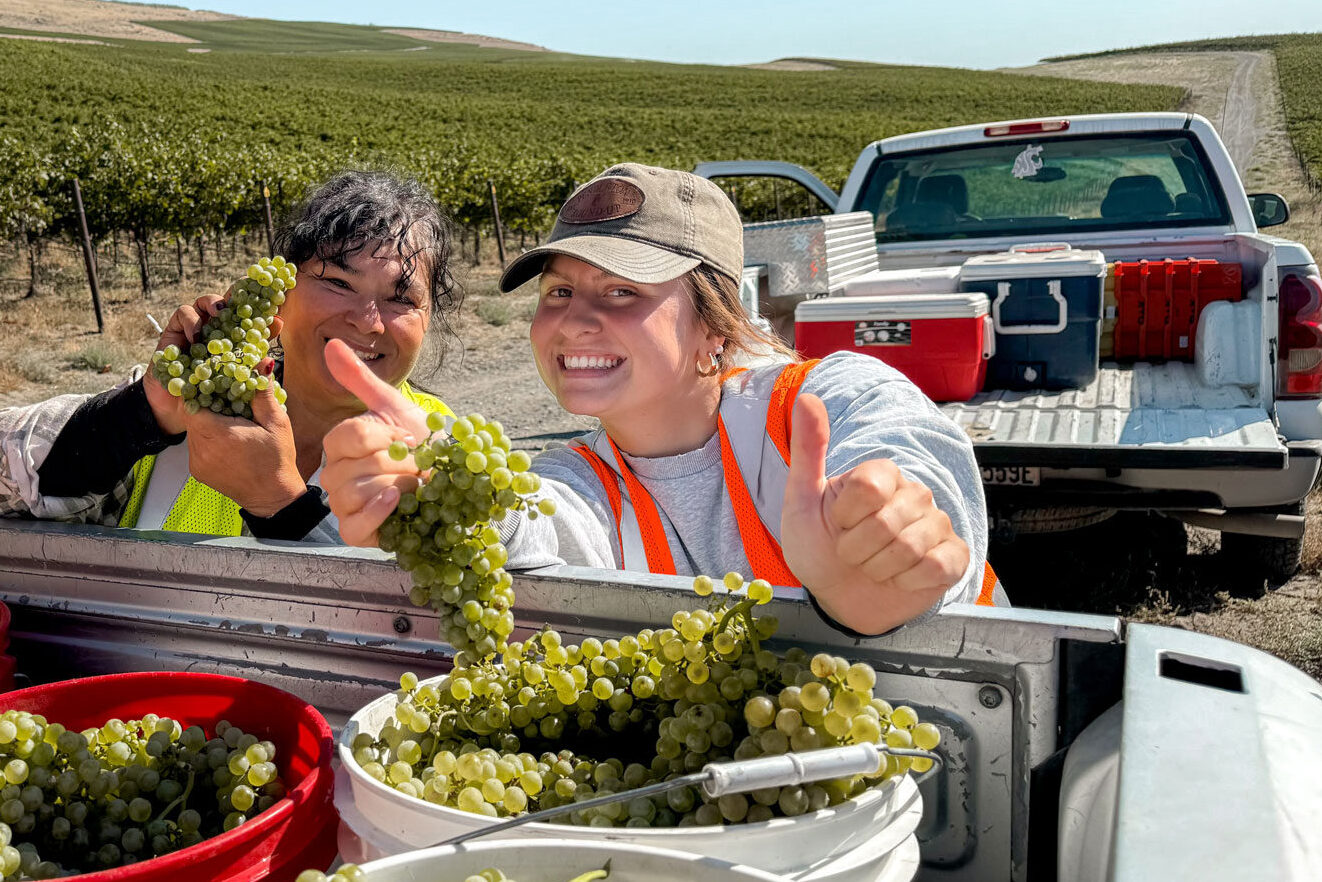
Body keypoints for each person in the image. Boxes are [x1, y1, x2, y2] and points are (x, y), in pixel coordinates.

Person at [322, 163, 1001, 636]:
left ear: (714, 322)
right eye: (558, 291)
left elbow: (915, 463)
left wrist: (891, 541)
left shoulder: (823, 401)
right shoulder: (583, 476)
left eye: (623, 291)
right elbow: (529, 522)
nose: (573, 319)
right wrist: (442, 490)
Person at [0, 168, 458, 542]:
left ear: (430, 316)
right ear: (284, 293)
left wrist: (278, 505)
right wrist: (139, 418)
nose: (368, 321)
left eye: (402, 299)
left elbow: (419, 628)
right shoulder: (193, 398)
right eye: (338, 283)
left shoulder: (447, 456)